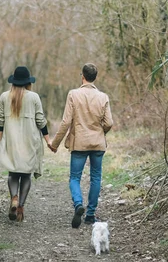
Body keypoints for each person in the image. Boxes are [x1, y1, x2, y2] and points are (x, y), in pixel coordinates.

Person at [49, 63, 113, 228]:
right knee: (96, 178)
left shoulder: (73, 94)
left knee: (75, 177)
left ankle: (78, 204)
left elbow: (65, 122)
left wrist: (55, 143)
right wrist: (100, 132)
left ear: (82, 76)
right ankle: (90, 214)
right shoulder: (103, 97)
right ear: (95, 77)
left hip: (79, 144)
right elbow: (109, 123)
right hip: (98, 143)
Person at [0, 66, 53, 222]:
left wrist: (1, 143)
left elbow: (0, 122)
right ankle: (21, 207)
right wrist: (48, 140)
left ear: (13, 81)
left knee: (13, 173)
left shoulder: (4, 96)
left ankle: (14, 197)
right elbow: (41, 121)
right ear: (27, 82)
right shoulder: (34, 97)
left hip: (11, 140)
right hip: (29, 140)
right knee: (26, 174)